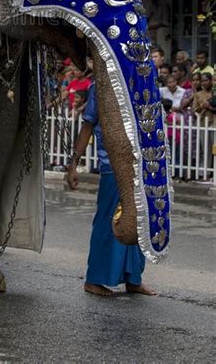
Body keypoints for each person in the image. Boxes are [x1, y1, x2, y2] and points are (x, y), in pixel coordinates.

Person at [66, 82, 155, 296]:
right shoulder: (101, 85)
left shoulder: (139, 80)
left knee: (139, 220)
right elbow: (88, 124)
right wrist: (73, 165)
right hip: (113, 165)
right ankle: (95, 279)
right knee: (108, 220)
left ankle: (133, 278)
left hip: (140, 165)